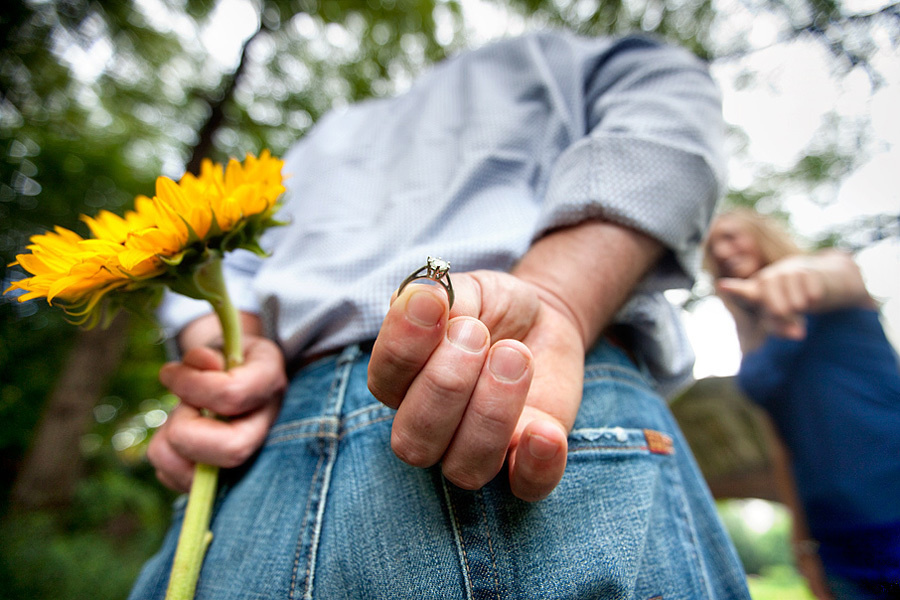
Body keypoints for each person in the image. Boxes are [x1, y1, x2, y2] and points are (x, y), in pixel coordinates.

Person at [129, 30, 751, 599]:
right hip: (309, 421)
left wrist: (228, 343)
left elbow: (222, 272)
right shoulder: (567, 57)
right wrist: (238, 365)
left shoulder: (321, 137)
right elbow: (670, 120)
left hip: (534, 381)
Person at [704, 208, 900, 600]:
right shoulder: (753, 337)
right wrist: (803, 545)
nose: (723, 250)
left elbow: (839, 273)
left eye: (732, 235)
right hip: (835, 530)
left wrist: (801, 277)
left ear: (760, 234)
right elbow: (780, 448)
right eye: (711, 247)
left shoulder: (826, 272)